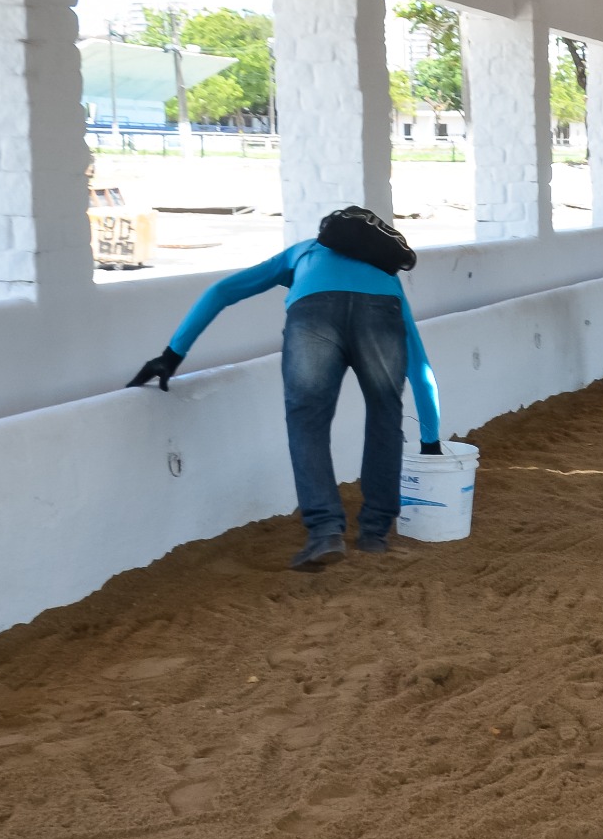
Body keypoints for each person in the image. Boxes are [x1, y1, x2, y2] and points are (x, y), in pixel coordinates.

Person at [127, 207, 442, 572]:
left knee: (307, 421)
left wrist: (172, 354)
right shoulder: (388, 277)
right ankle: (374, 532)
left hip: (313, 314)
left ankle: (325, 532)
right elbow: (420, 365)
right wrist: (430, 440)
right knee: (386, 415)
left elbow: (222, 291)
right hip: (380, 313)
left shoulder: (302, 252)